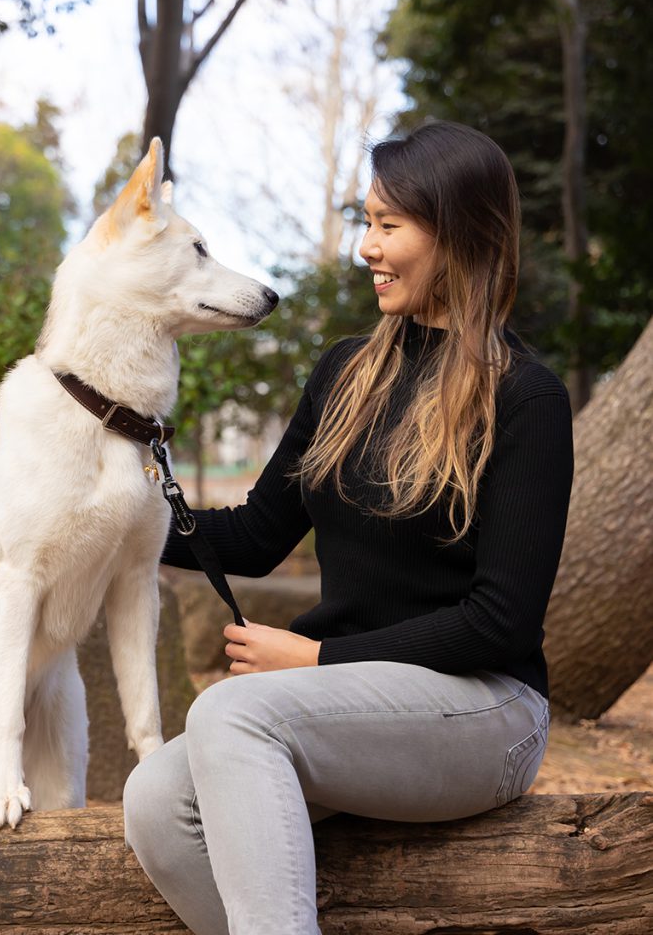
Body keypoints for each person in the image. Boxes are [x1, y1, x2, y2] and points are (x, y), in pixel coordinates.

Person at [122, 120, 575, 935]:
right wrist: (118, 516)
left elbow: (498, 623)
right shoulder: (345, 372)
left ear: (461, 234)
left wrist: (317, 657)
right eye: (365, 222)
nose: (366, 247)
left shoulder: (525, 399)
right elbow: (259, 533)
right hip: (340, 704)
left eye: (388, 226)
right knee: (153, 799)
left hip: (487, 714)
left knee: (231, 713)